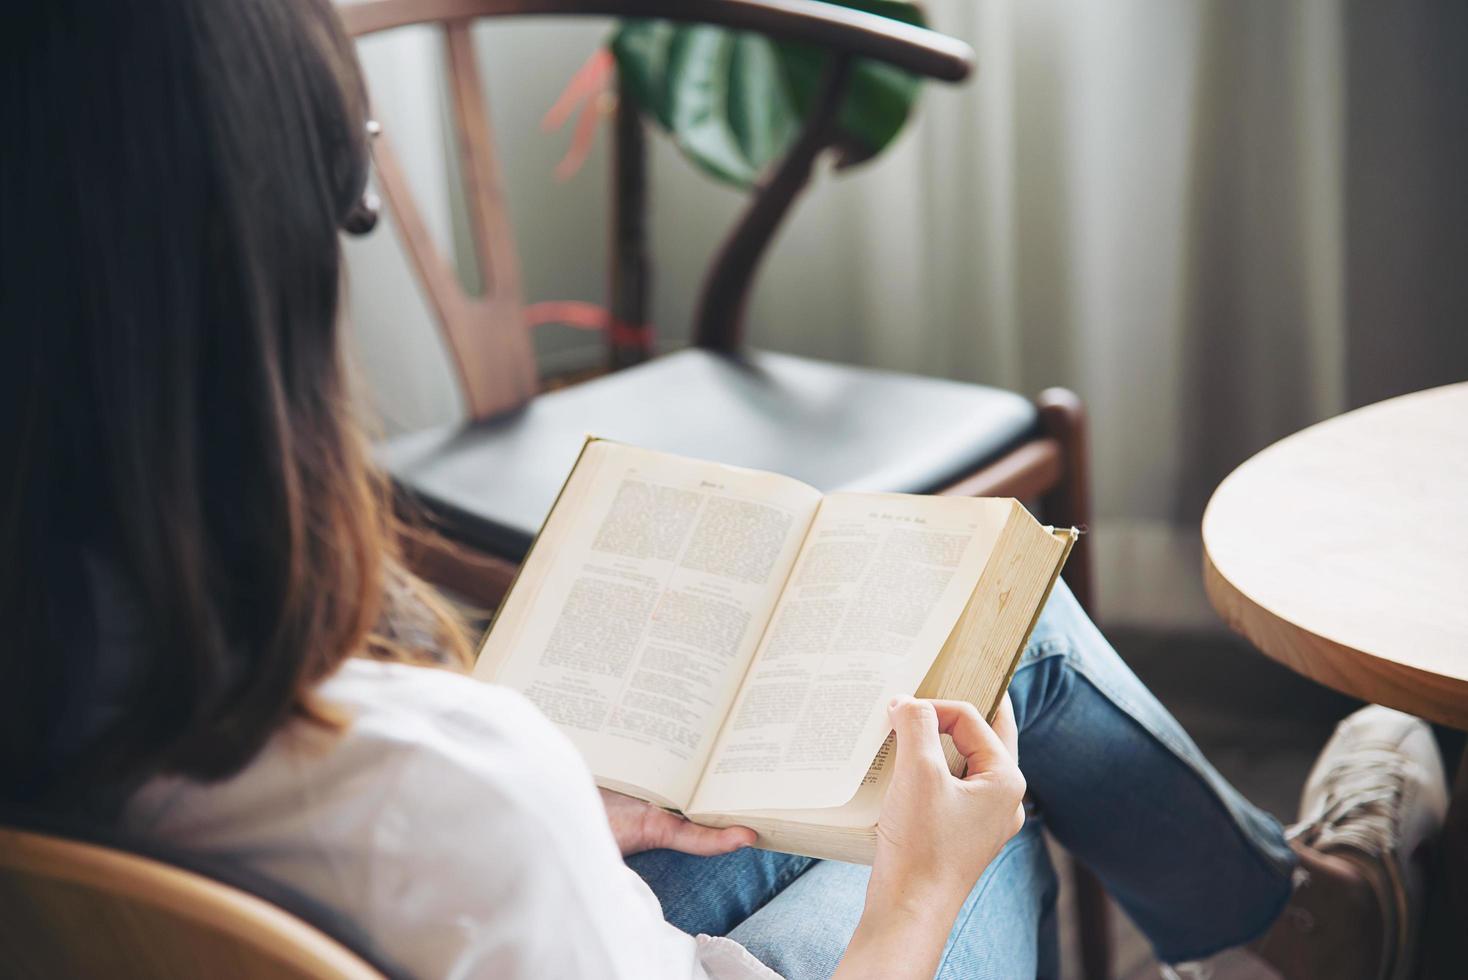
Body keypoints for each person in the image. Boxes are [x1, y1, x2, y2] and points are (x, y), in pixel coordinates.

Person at [0, 2, 1448, 978]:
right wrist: (927, 890)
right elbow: (448, 839)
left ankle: (1294, 911)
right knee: (984, 681)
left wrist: (566, 799)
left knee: (963, 633)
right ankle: (1303, 918)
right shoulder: (438, 789)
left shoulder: (122, 709)